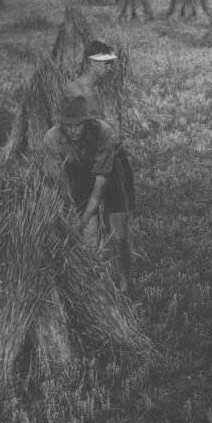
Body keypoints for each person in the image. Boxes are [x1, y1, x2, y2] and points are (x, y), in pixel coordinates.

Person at [43, 95, 135, 294]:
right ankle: (91, 287)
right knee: (87, 239)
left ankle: (125, 285)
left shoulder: (104, 133)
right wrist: (72, 217)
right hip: (78, 169)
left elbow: (100, 186)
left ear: (87, 121)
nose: (74, 131)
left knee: (118, 234)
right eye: (69, 125)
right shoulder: (51, 139)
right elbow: (58, 180)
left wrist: (81, 221)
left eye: (79, 125)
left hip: (112, 169)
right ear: (61, 123)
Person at [65, 40, 119, 120]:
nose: (109, 68)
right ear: (93, 63)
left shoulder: (92, 89)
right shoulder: (77, 91)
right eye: (106, 64)